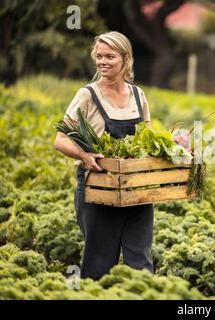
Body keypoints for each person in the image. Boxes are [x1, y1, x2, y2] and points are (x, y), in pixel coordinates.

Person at [54, 31, 154, 280]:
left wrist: (171, 151)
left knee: (140, 261)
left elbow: (147, 137)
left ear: (125, 59)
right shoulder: (87, 95)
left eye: (109, 56)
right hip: (98, 188)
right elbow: (60, 139)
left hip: (136, 190)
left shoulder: (138, 95)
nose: (102, 62)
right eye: (99, 56)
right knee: (98, 263)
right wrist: (85, 155)